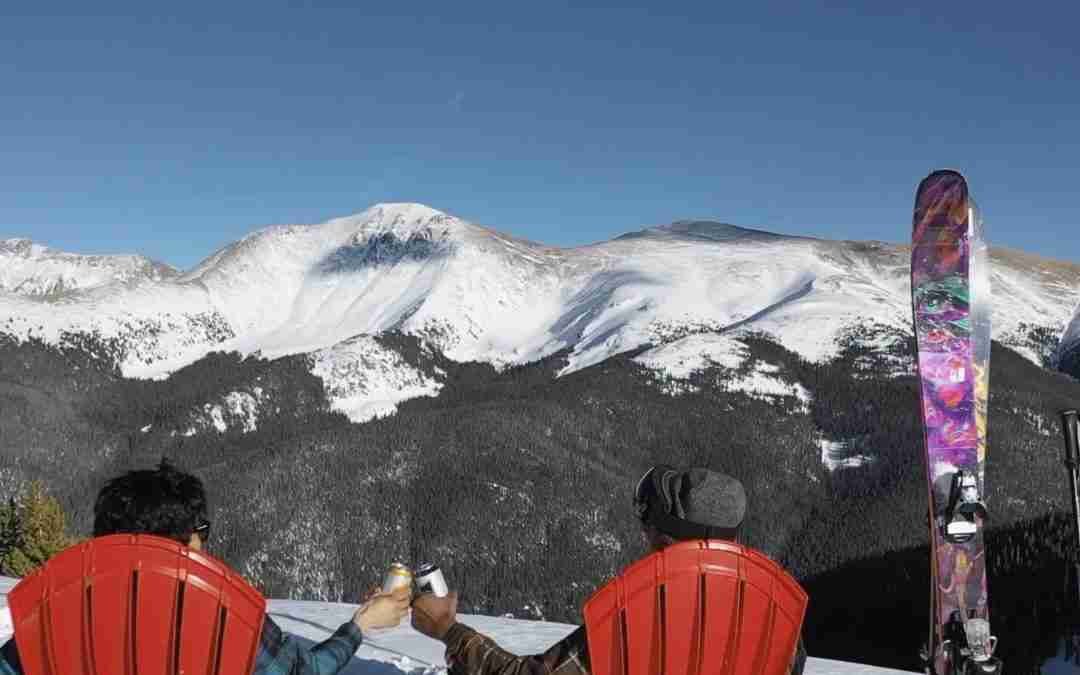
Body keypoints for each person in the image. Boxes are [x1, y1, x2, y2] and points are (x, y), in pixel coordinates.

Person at [0, 459, 411, 675]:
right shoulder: (224, 621)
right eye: (201, 530)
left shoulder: (55, 618)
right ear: (186, 544)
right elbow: (303, 673)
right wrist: (359, 626)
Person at [410, 465, 808, 675]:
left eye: (649, 521)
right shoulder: (777, 623)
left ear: (664, 539)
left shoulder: (639, 623)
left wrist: (449, 630)